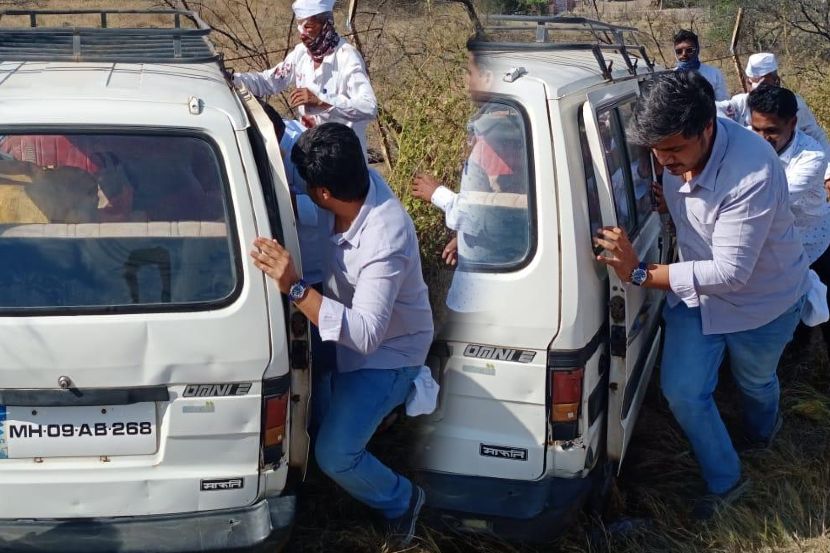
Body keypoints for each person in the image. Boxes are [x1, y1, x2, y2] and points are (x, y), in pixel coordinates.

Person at [595, 70, 809, 521]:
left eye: (674, 150)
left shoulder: (750, 172)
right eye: (656, 151)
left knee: (755, 383)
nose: (665, 160)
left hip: (760, 301)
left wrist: (638, 272)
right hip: (694, 294)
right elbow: (689, 205)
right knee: (685, 392)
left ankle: (762, 436)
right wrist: (664, 200)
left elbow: (731, 272)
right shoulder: (676, 150)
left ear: (706, 128)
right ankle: (727, 480)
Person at [250, 123, 433, 545]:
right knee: (311, 404)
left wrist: (295, 286)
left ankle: (403, 501)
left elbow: (367, 335)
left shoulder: (385, 238)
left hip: (387, 353)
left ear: (325, 195)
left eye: (307, 186)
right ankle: (351, 430)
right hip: (339, 326)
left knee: (334, 454)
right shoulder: (353, 182)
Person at [232, 0, 377, 158]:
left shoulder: (347, 57)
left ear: (325, 24)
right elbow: (269, 81)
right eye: (299, 26)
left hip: (342, 159)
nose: (302, 34)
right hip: (310, 153)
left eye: (308, 27)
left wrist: (322, 101)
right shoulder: (301, 54)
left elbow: (369, 107)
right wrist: (233, 79)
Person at [716, 52, 830, 191]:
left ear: (776, 81)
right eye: (756, 128)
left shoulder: (794, 104)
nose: (762, 137)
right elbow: (713, 110)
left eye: (771, 129)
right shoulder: (742, 102)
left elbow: (815, 134)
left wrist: (828, 172)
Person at [672, 29, 728, 101]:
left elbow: (723, 103)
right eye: (679, 51)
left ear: (697, 50)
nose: (684, 54)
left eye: (689, 50)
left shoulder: (714, 74)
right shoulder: (671, 78)